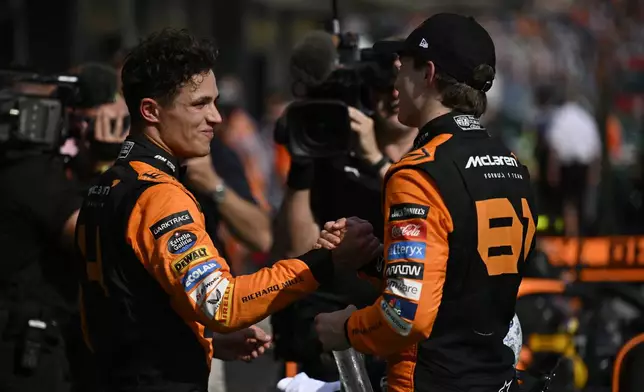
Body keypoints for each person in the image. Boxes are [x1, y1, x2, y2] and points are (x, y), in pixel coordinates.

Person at [74, 28, 380, 392]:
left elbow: (122, 312)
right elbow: (223, 303)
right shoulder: (159, 195)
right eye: (200, 104)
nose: (216, 117)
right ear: (151, 111)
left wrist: (204, 343)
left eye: (215, 102)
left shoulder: (106, 183)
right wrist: (325, 261)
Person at [313, 13, 537, 392]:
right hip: (496, 379)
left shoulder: (419, 173)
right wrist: (371, 258)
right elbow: (458, 279)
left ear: (428, 73)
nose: (396, 82)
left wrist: (345, 329)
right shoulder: (514, 165)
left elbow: (406, 317)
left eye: (403, 69)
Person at [271, 43, 417, 386]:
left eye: (399, 85)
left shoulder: (431, 154)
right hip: (328, 327)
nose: (391, 96)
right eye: (381, 86)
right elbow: (297, 250)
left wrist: (375, 160)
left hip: (399, 318)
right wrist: (302, 165)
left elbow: (426, 210)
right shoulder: (333, 146)